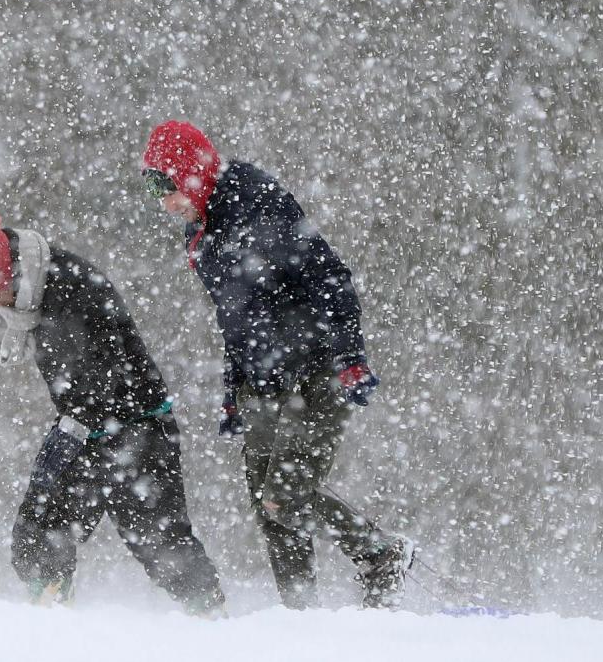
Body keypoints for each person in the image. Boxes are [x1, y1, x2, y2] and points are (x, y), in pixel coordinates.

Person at [140, 120, 413, 610]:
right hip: (261, 384)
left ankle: (383, 555)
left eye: (167, 185)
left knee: (284, 497)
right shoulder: (199, 235)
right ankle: (298, 615)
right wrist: (233, 389)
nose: (164, 201)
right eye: (153, 188)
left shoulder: (258, 200)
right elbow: (235, 319)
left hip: (314, 371)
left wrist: (350, 356)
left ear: (191, 174)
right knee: (270, 512)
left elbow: (330, 276)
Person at [0, 200, 225, 616]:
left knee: (154, 538)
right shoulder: (38, 286)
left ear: (9, 273)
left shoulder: (68, 294)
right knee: (44, 528)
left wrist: (65, 442)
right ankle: (52, 612)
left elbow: (94, 387)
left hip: (135, 427)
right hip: (98, 426)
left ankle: (215, 622)